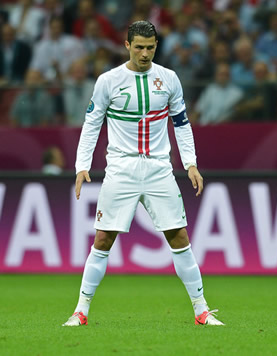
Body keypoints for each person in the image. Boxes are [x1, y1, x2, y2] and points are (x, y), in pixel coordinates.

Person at [62, 21, 224, 327]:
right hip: (121, 168)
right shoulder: (108, 81)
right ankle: (80, 311)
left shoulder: (169, 79)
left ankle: (201, 311)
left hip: (159, 169)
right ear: (126, 45)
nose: (145, 53)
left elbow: (181, 123)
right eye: (139, 47)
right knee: (103, 238)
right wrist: (81, 166)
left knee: (179, 236)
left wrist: (190, 163)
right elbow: (92, 124)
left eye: (150, 47)